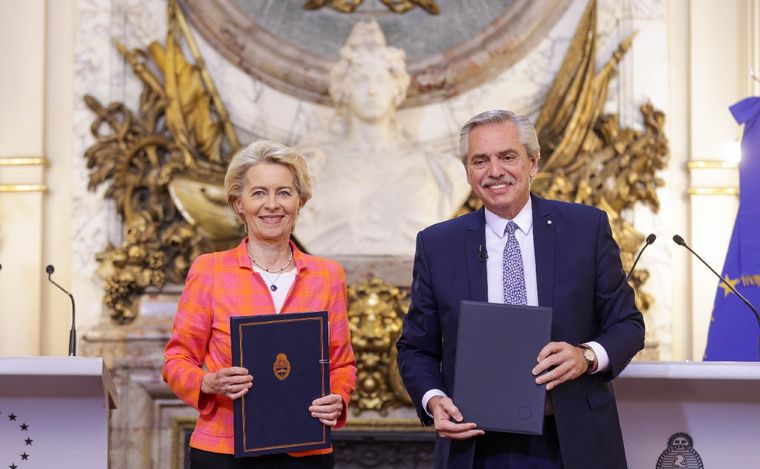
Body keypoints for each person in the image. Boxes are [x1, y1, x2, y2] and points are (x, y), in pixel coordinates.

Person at [396, 110, 645, 468]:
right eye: (480, 160)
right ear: (467, 173)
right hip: (477, 446)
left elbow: (628, 325)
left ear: (533, 163)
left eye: (508, 156)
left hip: (573, 439)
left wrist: (586, 356)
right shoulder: (438, 244)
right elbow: (415, 348)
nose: (495, 171)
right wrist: (434, 400)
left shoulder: (586, 228)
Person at [163, 140, 357, 468]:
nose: (272, 205)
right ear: (238, 204)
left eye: (284, 193)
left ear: (300, 202)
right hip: (224, 451)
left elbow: (342, 364)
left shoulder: (327, 276)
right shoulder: (209, 270)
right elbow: (176, 360)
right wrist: (206, 383)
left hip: (306, 450)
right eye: (258, 193)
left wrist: (338, 397)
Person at [296, 20, 470, 256]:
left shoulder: (442, 171)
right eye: (361, 80)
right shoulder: (311, 168)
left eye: (380, 79)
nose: (372, 90)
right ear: (344, 90)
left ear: (397, 89)